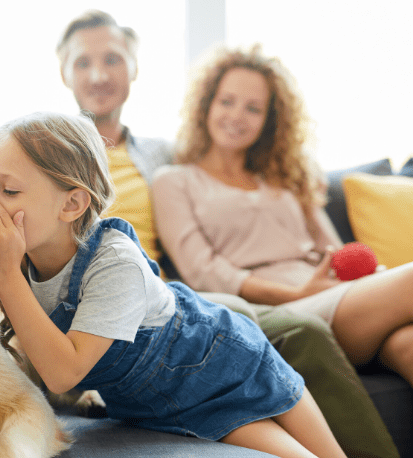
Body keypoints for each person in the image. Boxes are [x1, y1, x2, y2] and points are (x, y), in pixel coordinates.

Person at [56, 11, 398, 458]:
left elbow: (333, 250)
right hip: (157, 302)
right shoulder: (64, 156)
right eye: (83, 63)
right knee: (302, 327)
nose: (98, 75)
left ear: (134, 68)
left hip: (249, 293)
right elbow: (204, 269)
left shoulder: (158, 156)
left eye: (112, 60)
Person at [0, 111, 346, 457]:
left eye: (9, 191)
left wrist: (5, 275)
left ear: (72, 205)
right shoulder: (11, 253)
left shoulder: (114, 262)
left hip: (227, 367)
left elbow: (63, 373)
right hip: (150, 405)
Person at [151, 44, 413, 390]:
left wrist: (365, 280)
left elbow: (333, 250)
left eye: (253, 108)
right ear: (206, 105)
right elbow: (204, 272)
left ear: (269, 119)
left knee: (407, 345)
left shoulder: (285, 179)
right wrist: (296, 295)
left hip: (334, 296)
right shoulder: (174, 180)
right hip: (281, 312)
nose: (237, 116)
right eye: (226, 101)